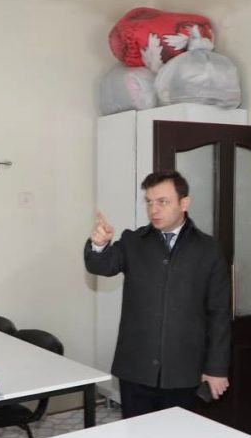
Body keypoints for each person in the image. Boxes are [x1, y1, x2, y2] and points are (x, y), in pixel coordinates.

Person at [85, 170, 231, 418]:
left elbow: (219, 313)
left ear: (184, 203)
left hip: (184, 369)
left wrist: (216, 368)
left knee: (177, 436)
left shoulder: (208, 249)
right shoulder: (133, 241)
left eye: (162, 201)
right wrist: (99, 244)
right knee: (136, 435)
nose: (154, 209)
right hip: (136, 368)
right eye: (149, 202)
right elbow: (101, 265)